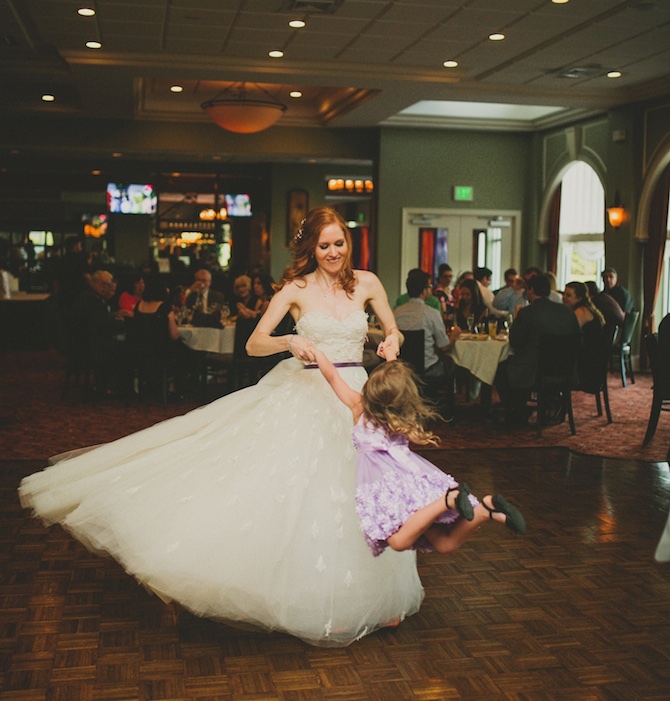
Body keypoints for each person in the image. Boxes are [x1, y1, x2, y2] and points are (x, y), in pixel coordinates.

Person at [19, 206, 420, 648]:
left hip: (358, 395)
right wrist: (289, 340)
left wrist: (391, 339)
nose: (333, 252)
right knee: (311, 495)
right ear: (311, 248)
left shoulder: (367, 282)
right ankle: (322, 601)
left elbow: (393, 328)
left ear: (347, 242)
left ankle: (375, 596)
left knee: (364, 488)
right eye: (323, 245)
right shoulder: (296, 288)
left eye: (338, 243)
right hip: (307, 392)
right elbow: (253, 344)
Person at [312, 353, 526, 556]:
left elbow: (333, 377)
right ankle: (487, 509)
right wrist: (391, 358)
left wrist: (317, 353)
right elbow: (396, 384)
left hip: (393, 488)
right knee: (445, 544)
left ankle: (449, 499)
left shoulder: (359, 407)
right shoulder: (399, 416)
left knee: (398, 541)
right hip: (413, 482)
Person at [495, 274, 580, 426]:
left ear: (531, 290)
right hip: (564, 368)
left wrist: (517, 318)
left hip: (534, 371)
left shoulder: (527, 312)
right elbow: (577, 338)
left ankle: (516, 411)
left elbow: (515, 342)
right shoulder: (567, 311)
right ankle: (547, 406)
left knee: (500, 369)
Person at [393, 268, 460, 418]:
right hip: (427, 369)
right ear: (424, 291)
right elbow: (444, 346)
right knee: (451, 364)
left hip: (402, 367)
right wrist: (454, 336)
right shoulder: (431, 313)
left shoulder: (396, 312)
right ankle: (447, 411)